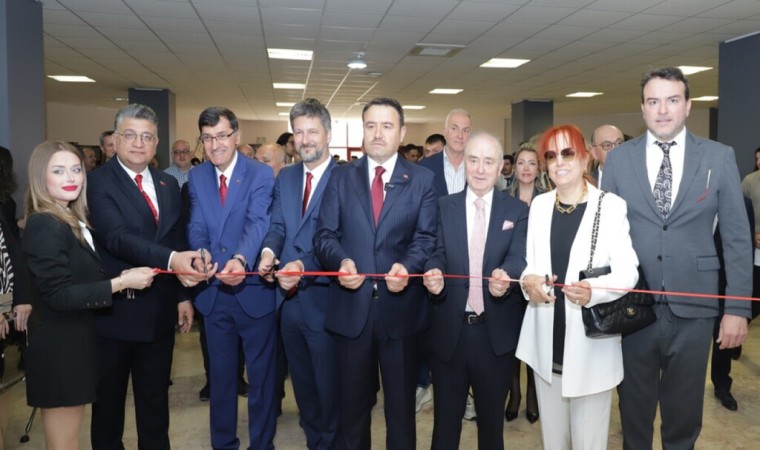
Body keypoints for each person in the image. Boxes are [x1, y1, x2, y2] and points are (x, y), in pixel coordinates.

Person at [602, 66, 752, 449]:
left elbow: (737, 238)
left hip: (696, 308)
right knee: (634, 416)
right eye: (653, 102)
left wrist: (737, 308)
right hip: (634, 309)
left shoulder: (718, 157)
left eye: (672, 100)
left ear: (687, 106)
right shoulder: (619, 161)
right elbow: (605, 237)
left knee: (683, 420)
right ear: (642, 108)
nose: (663, 110)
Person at [314, 97, 437, 449]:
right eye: (371, 126)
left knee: (401, 412)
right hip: (352, 312)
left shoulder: (422, 180)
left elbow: (426, 237)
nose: (378, 133)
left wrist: (408, 267)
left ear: (402, 132)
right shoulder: (340, 177)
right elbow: (324, 235)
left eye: (386, 126)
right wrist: (341, 262)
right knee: (352, 412)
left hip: (401, 313)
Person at [21, 141, 156, 450]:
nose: (70, 178)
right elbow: (59, 295)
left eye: (76, 169)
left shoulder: (68, 219)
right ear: (40, 177)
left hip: (75, 345)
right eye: (58, 171)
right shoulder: (45, 224)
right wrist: (121, 282)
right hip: (59, 351)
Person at [87, 104, 204, 450]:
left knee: (155, 406)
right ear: (116, 139)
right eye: (131, 135)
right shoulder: (96, 182)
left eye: (147, 137)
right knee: (108, 410)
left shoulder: (167, 184)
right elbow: (116, 237)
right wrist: (173, 260)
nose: (139, 143)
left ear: (156, 144)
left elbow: (176, 238)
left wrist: (183, 296)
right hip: (115, 314)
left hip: (159, 312)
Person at [516, 124, 639, 450]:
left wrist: (593, 290)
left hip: (590, 348)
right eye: (551, 155)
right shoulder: (540, 206)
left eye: (568, 153)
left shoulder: (610, 206)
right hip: (546, 344)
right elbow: (531, 265)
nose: (559, 162)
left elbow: (628, 272)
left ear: (585, 159)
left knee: (588, 443)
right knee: (553, 442)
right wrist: (528, 282)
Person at [422, 132, 528, 450]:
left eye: (488, 161)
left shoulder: (517, 210)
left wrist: (507, 274)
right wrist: (434, 271)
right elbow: (435, 251)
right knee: (445, 426)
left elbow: (519, 256)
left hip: (495, 335)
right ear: (464, 163)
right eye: (474, 160)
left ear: (500, 168)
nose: (480, 169)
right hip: (449, 333)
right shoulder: (443, 206)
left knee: (491, 428)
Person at [187, 106, 277, 450]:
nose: (215, 145)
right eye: (207, 138)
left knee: (261, 379)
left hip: (252, 290)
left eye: (222, 136)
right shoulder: (197, 177)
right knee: (221, 378)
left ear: (236, 136)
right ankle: (223, 443)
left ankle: (262, 444)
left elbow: (258, 222)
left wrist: (240, 259)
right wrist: (200, 253)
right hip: (213, 292)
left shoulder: (260, 174)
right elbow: (197, 223)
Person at [259, 98, 339, 450]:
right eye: (299, 132)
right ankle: (315, 442)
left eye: (313, 131)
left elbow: (341, 239)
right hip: (288, 304)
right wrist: (268, 252)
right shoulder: (287, 177)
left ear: (328, 134)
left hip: (328, 302)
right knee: (303, 387)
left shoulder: (346, 178)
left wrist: (302, 266)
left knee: (330, 389)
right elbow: (277, 225)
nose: (305, 139)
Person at [504, 146, 545, 425]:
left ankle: (532, 394)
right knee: (511, 340)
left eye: (532, 163)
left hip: (537, 279)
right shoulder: (503, 197)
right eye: (521, 163)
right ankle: (514, 393)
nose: (526, 168)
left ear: (538, 168)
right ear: (514, 167)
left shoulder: (549, 198)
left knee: (534, 339)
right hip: (509, 278)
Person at [419, 109, 471, 198]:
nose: (460, 135)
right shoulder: (424, 167)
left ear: (470, 134)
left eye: (465, 130)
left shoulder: (479, 168)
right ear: (445, 132)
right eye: (454, 129)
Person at [741, 145, 760, 320]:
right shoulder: (749, 181)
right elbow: (739, 213)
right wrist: (753, 235)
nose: (759, 162)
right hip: (755, 247)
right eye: (757, 159)